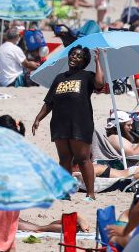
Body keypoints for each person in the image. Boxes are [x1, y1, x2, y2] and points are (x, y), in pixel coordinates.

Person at [31, 46, 105, 199]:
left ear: (84, 61)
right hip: (60, 123)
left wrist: (98, 62)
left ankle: (90, 194)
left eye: (78, 56)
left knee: (83, 159)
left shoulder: (87, 76)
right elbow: (49, 102)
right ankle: (64, 193)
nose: (73, 57)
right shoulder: (59, 78)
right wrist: (38, 118)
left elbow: (99, 84)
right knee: (64, 159)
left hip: (80, 123)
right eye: (72, 54)